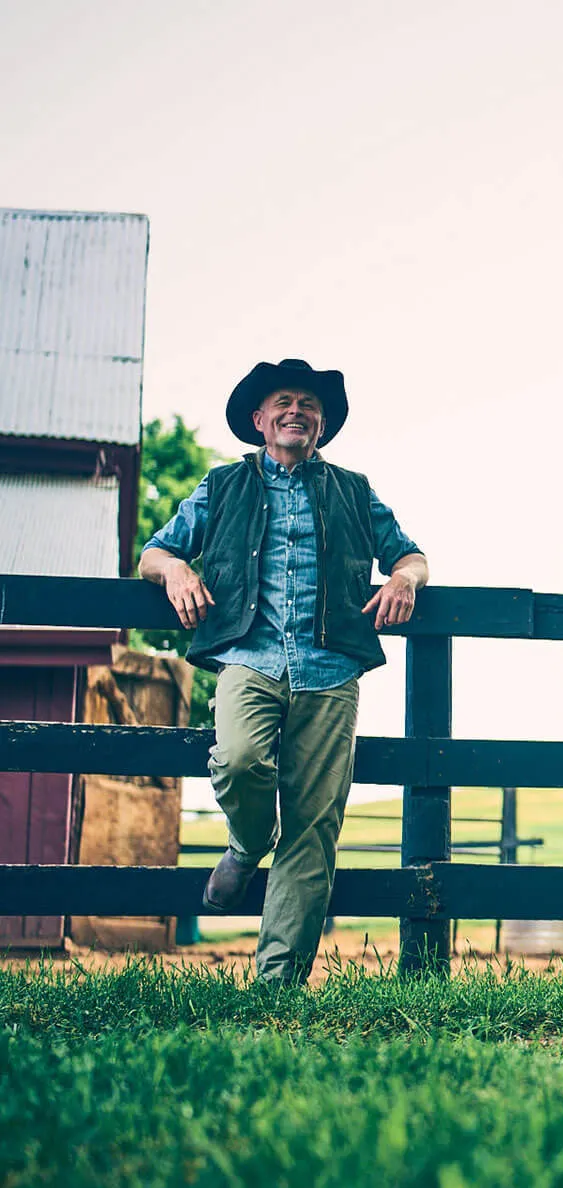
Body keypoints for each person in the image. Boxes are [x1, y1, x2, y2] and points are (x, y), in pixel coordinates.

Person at [139, 358, 428, 984]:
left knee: (314, 826)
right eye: (284, 402)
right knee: (238, 759)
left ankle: (276, 984)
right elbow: (154, 551)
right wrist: (176, 570)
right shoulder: (221, 487)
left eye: (309, 404)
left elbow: (408, 552)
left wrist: (405, 576)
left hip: (330, 669)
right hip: (248, 657)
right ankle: (246, 842)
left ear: (322, 423)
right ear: (259, 420)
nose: (297, 411)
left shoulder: (353, 488)